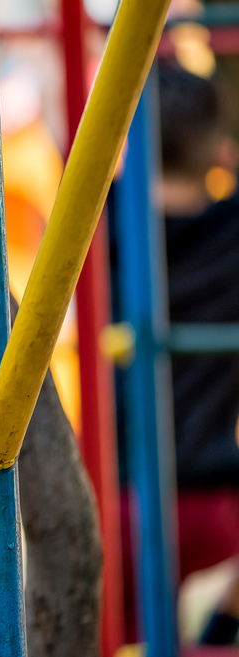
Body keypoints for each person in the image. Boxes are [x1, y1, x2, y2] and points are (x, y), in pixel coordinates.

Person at [152, 62, 239, 645]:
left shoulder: (99, 226)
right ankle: (216, 635)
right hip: (214, 498)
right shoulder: (230, 232)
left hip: (117, 495)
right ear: (218, 153)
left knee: (131, 628)